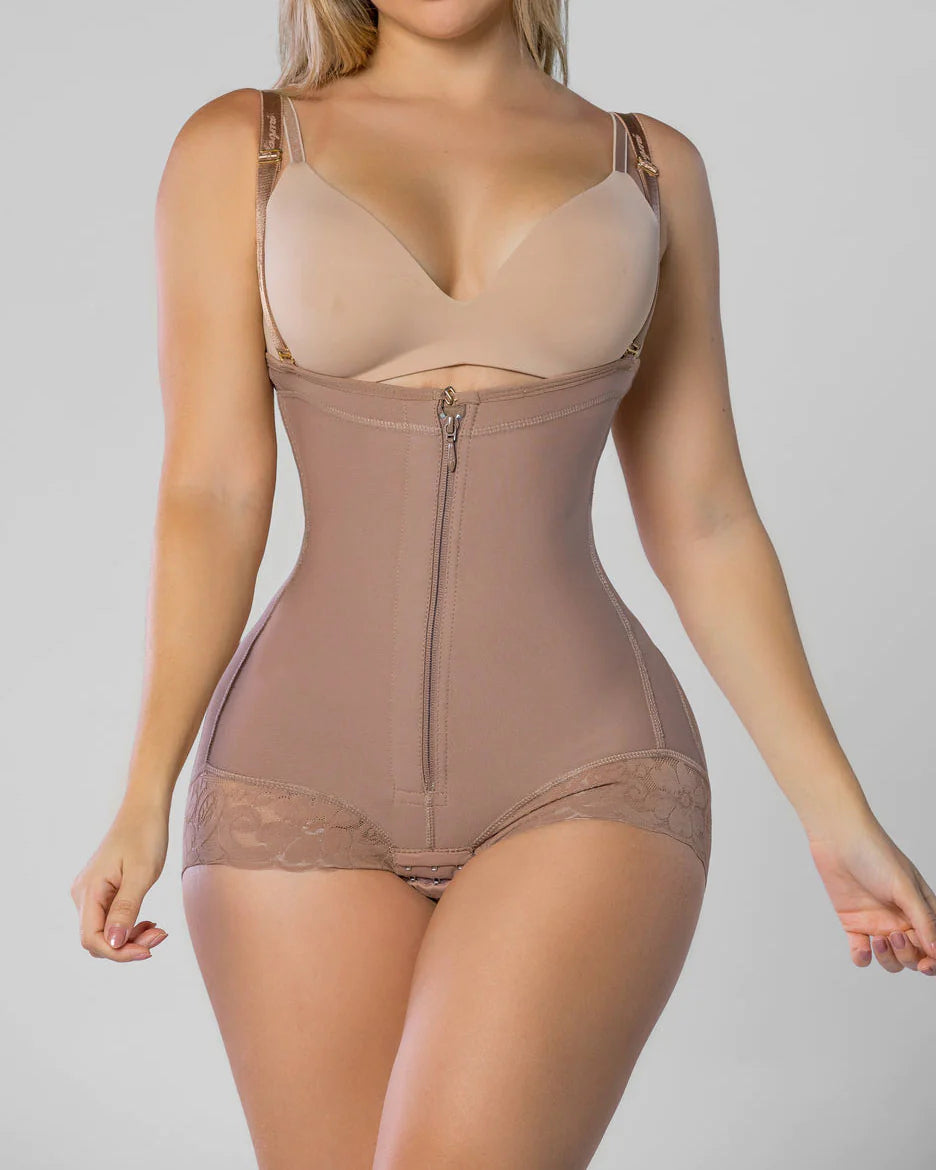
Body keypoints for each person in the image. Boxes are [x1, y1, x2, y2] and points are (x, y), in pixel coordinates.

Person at [69, 1, 936, 1166]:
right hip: (291, 779)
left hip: (587, 768)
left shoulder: (650, 168)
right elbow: (212, 493)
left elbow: (705, 515)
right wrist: (142, 791)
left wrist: (838, 817)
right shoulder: (243, 146)